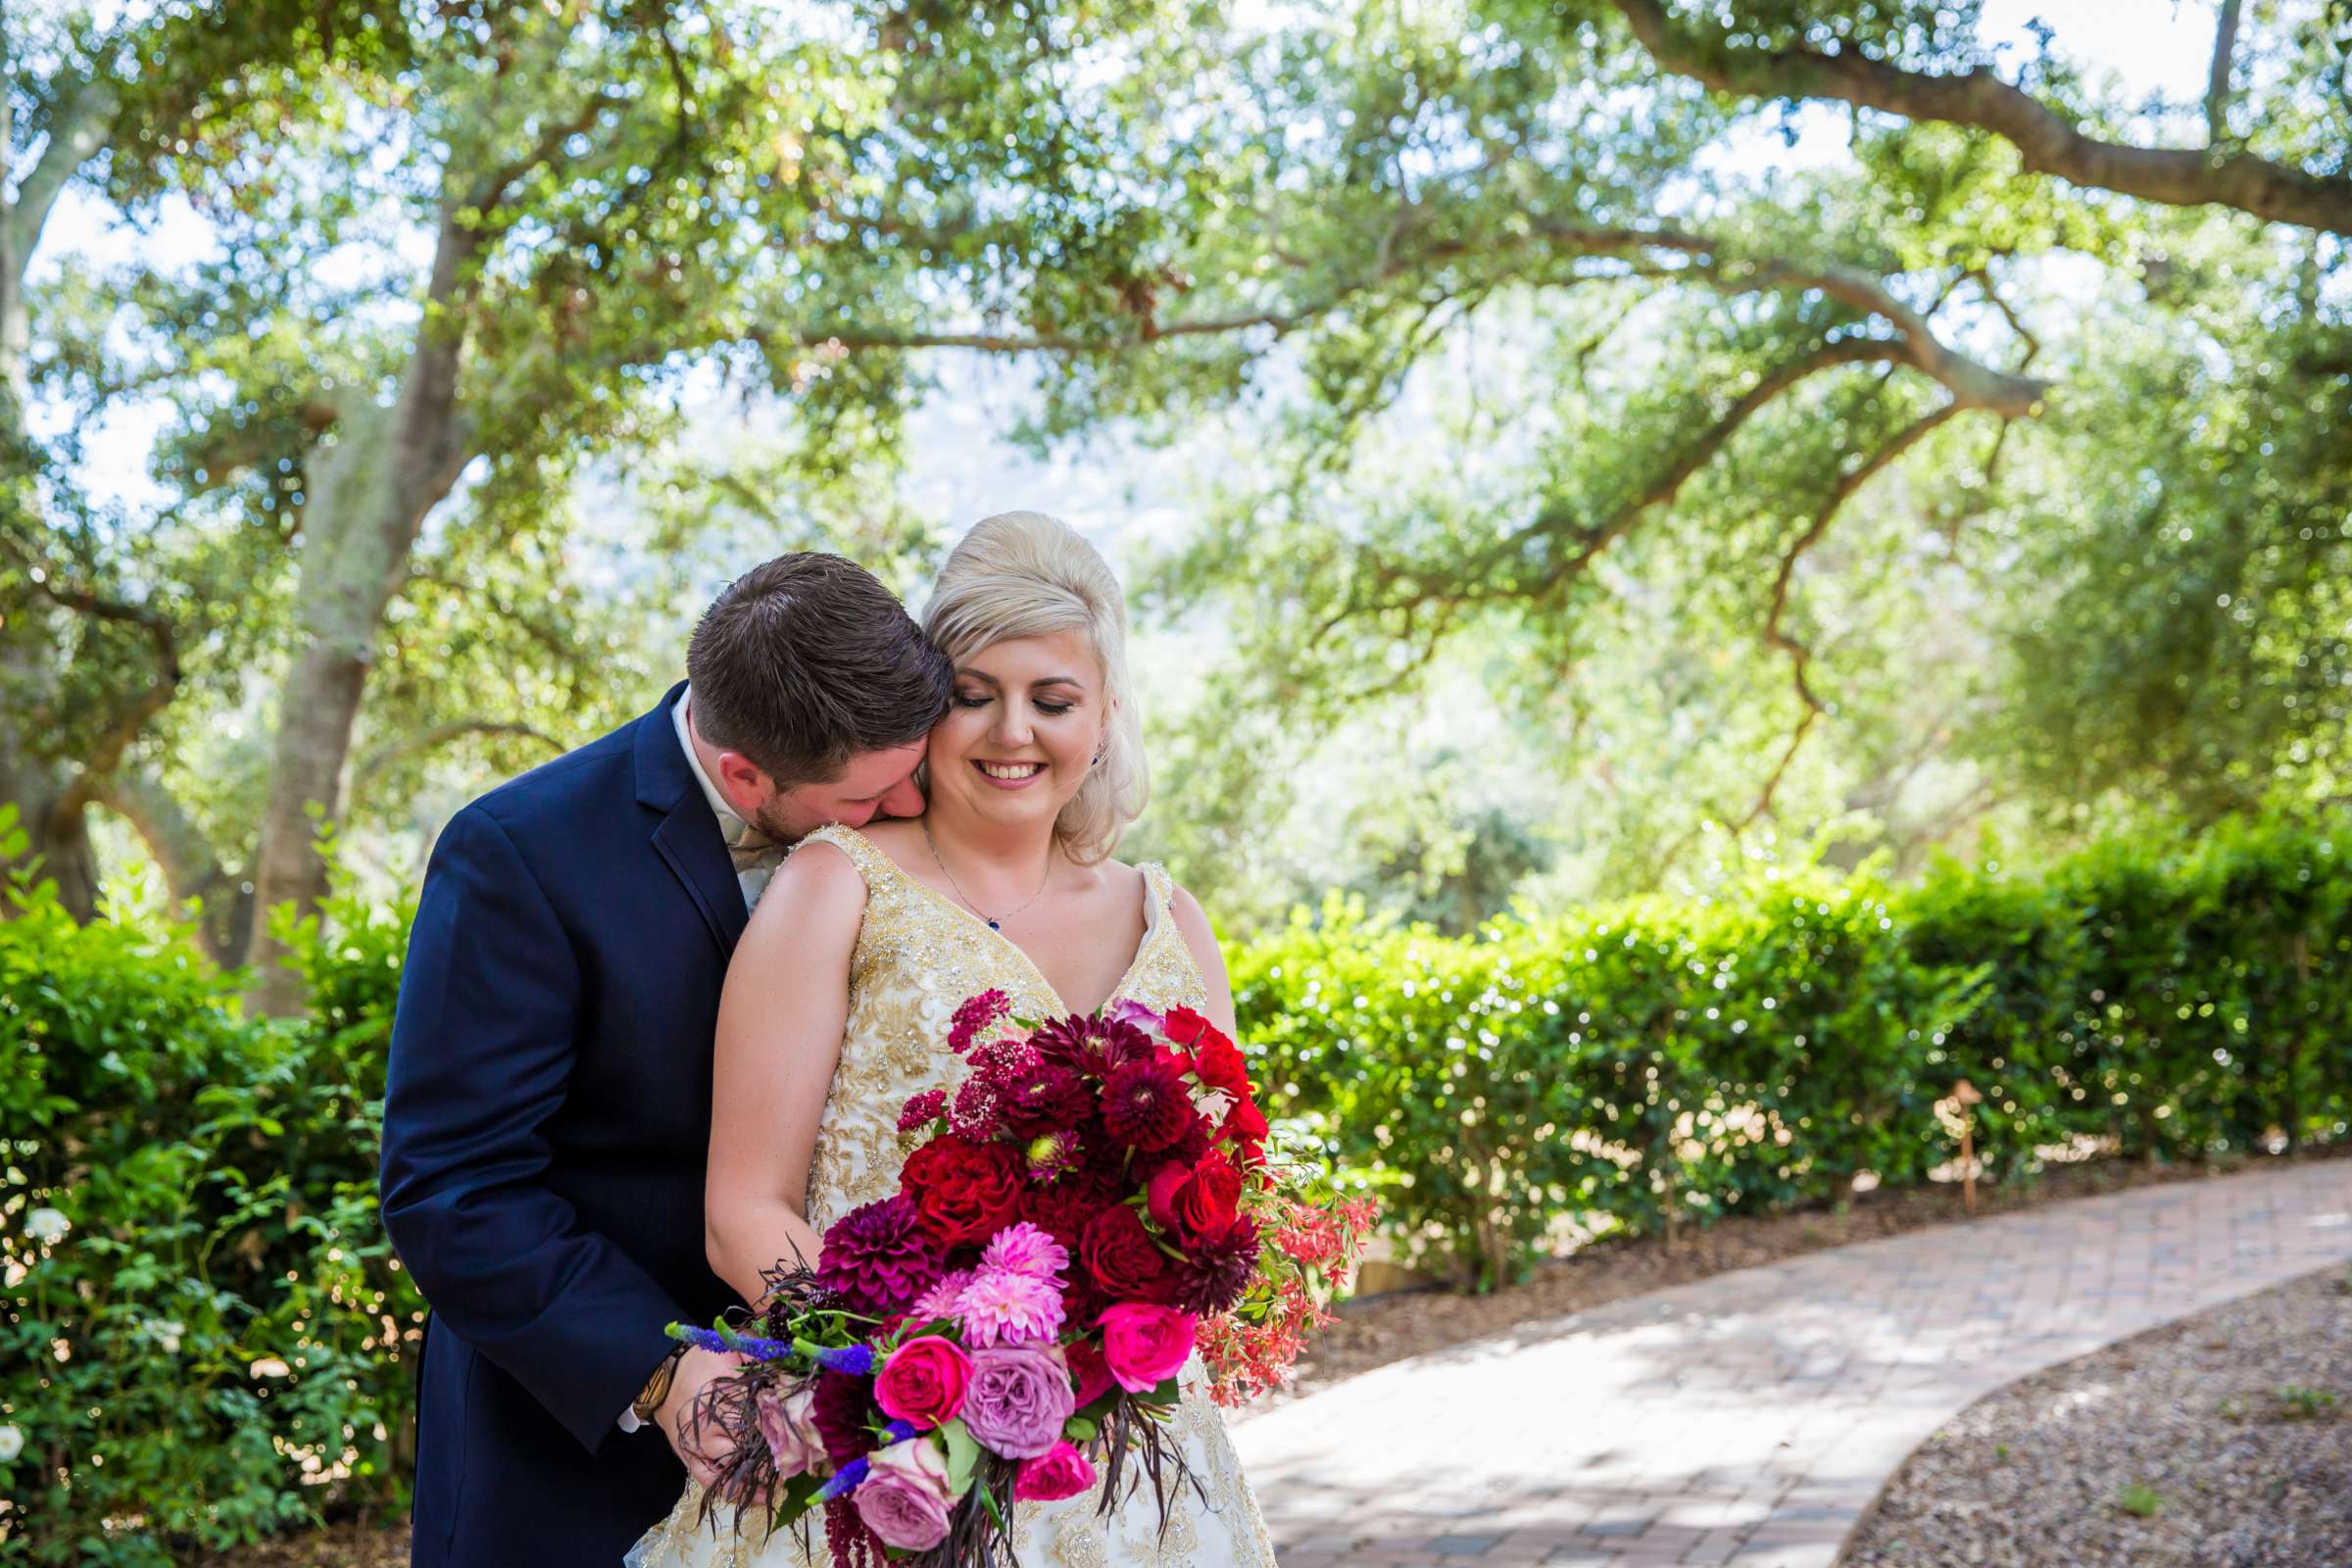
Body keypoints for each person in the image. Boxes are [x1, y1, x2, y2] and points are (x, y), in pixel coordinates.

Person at [629, 511, 1279, 1566]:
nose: (1011, 731)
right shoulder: (836, 884)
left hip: (1134, 1471)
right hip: (894, 1452)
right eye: (973, 696)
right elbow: (744, 1208)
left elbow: (1217, 1194)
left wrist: (1116, 1347)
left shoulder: (1171, 916)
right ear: (929, 708)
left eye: (1052, 700)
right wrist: (918, 1385)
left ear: (1106, 714)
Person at [380, 554, 955, 1568]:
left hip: (846, 1469)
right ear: (745, 774)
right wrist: (662, 1369)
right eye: (869, 794)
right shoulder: (518, 854)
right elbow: (451, 1187)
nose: (913, 802)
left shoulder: (910, 844)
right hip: (574, 1459)